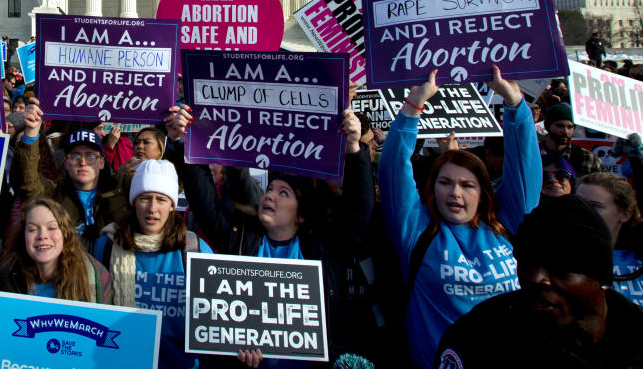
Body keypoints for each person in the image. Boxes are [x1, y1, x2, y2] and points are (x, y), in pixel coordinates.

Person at [172, 106, 375, 366]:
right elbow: (204, 200)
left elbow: (359, 214)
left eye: (283, 193)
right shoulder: (239, 237)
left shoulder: (322, 248)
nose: (269, 196)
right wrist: (186, 140)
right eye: (269, 189)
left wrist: (353, 148)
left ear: (300, 215)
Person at [379, 67, 541, 369]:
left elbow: (524, 165)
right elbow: (393, 169)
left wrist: (514, 103)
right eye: (445, 183)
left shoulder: (507, 223)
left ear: (483, 191)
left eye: (467, 185)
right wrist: (414, 104)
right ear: (432, 188)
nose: (455, 193)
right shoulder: (416, 230)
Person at [434, 195, 643, 368]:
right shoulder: (478, 340)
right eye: (528, 263)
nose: (537, 278)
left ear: (602, 278)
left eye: (559, 267)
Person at [94, 159, 213, 369]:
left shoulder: (195, 249)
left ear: (172, 205)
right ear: (133, 202)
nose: (152, 208)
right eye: (145, 198)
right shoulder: (107, 246)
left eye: (161, 199)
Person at [10, 98, 128, 252]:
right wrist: (31, 132)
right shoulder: (53, 194)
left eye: (90, 156)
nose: (83, 162)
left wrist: (171, 137)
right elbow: (25, 181)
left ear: (101, 162)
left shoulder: (121, 189)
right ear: (65, 163)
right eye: (75, 156)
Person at [0, 197, 112, 303]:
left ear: (65, 234)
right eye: (32, 229)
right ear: (23, 236)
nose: (42, 235)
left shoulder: (95, 276)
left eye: (52, 228)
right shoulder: (6, 276)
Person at [577, 172, 643, 310]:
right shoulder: (560, 259)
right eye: (579, 203)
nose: (583, 211)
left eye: (595, 206)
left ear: (625, 214)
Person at [538, 103, 602, 177]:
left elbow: (603, 186)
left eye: (570, 127)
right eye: (560, 126)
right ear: (546, 126)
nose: (565, 131)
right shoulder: (533, 154)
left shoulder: (588, 158)